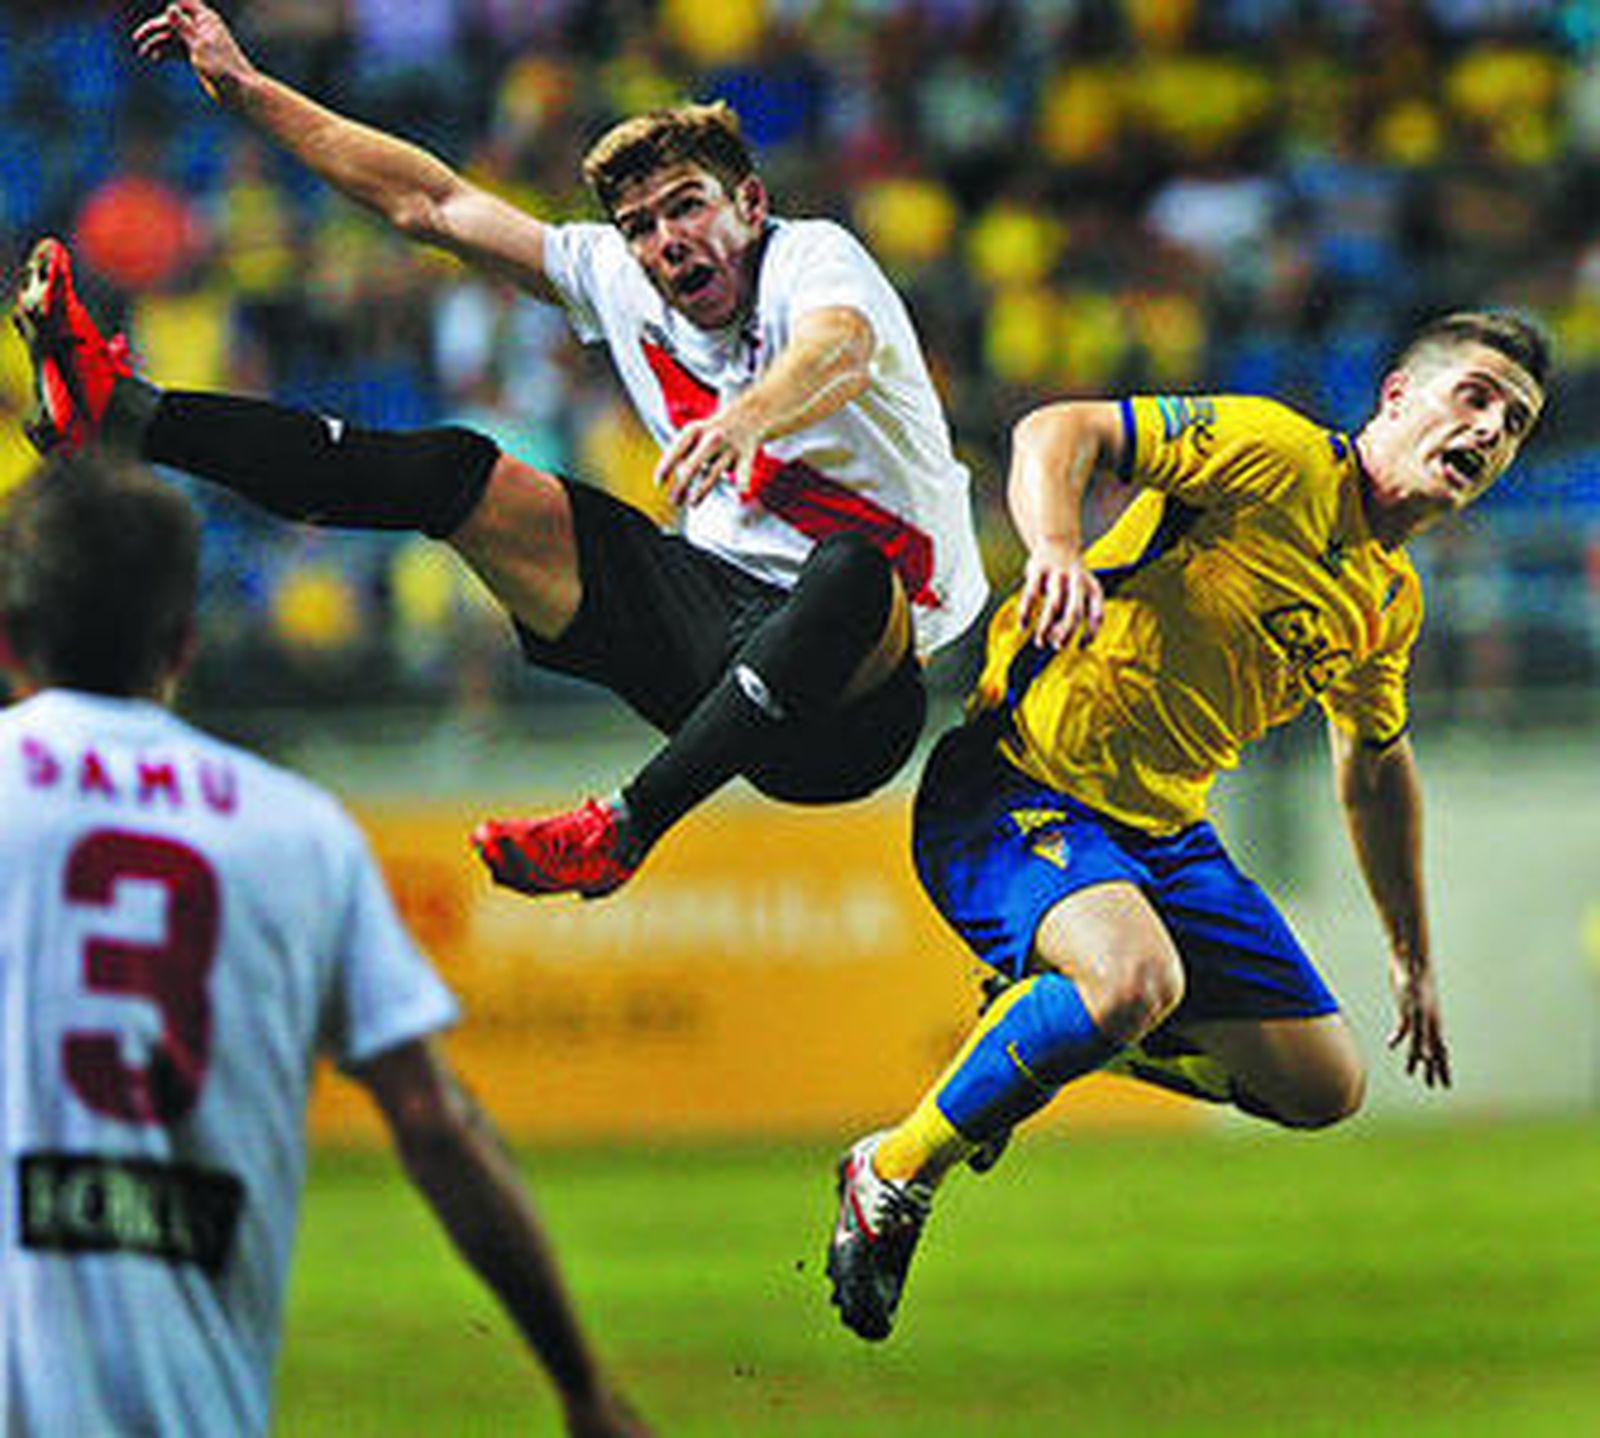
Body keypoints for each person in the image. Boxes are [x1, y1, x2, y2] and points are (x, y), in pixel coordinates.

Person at [14, 0, 989, 903]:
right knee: (454, 474)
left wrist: (746, 418)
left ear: (750, 202)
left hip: (860, 699)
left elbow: (839, 351)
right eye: (641, 225)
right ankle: (123, 410)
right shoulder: (620, 277)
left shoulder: (811, 257)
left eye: (689, 207)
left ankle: (624, 822)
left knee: (853, 571)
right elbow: (427, 204)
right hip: (710, 631)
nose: (665, 241)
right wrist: (247, 87)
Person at [824, 311, 1550, 1341]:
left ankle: (1039, 1032)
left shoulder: (1387, 600)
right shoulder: (1275, 453)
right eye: (1473, 395)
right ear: (1397, 395)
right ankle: (891, 1172)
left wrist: (1409, 952)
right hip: (1017, 782)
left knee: (1320, 1087)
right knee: (1130, 980)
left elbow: (1375, 768)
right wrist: (1058, 550)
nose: (1489, 428)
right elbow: (1054, 431)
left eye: (1514, 422)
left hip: (1164, 838)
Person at [0, 452, 652, 1435]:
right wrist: (580, 1385)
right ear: (182, 643)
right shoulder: (297, 832)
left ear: (9, 637)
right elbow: (434, 1120)